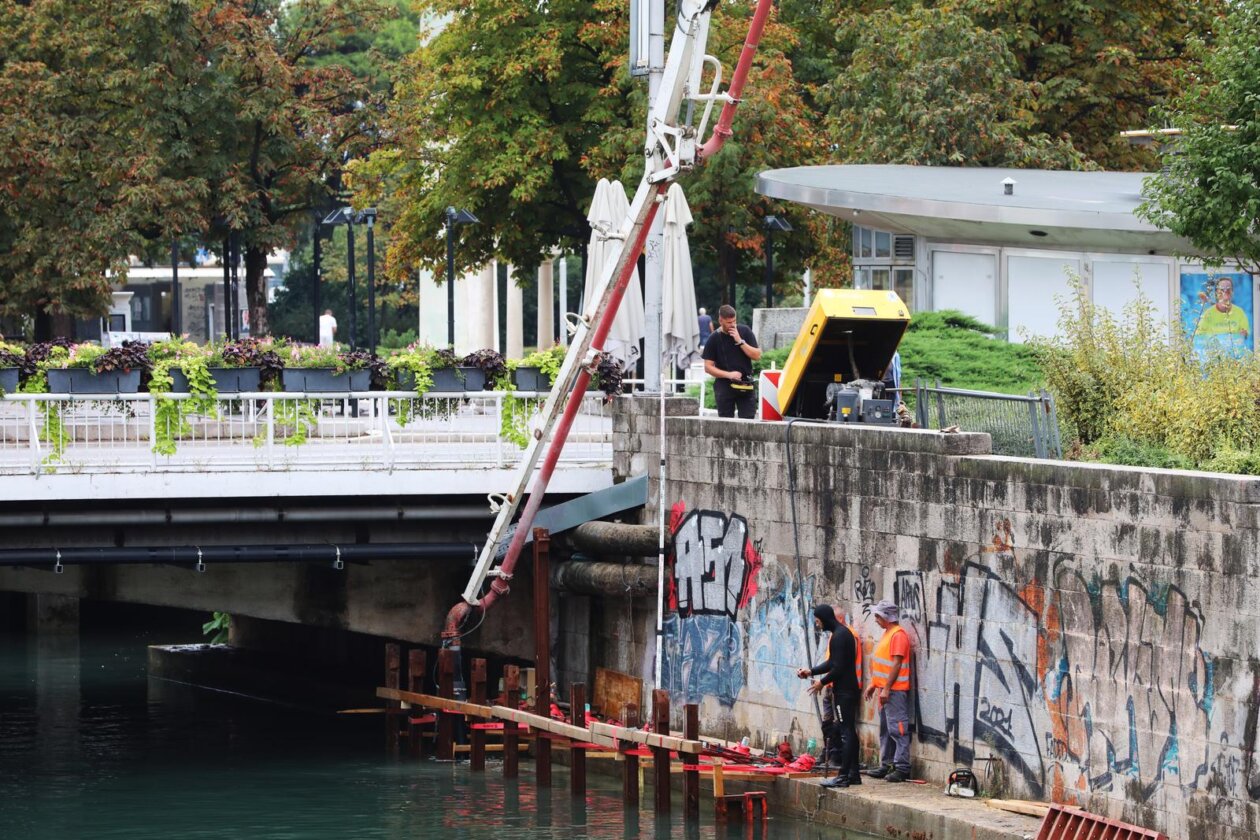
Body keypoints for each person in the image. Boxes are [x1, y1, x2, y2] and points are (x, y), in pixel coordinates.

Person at [797, 604, 861, 788]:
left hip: (844, 691)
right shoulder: (840, 634)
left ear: (824, 618)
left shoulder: (840, 636)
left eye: (818, 621)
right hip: (847, 689)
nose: (817, 625)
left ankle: (843, 776)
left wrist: (821, 682)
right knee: (849, 731)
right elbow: (832, 662)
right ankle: (853, 774)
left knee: (846, 733)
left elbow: (838, 668)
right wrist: (811, 672)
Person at [864, 599, 912, 782]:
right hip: (885, 691)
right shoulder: (888, 634)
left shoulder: (898, 635)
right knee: (886, 729)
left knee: (898, 729)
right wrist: (874, 684)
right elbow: (883, 665)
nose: (875, 618)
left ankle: (902, 767)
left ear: (886, 617)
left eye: (877, 615)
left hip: (894, 692)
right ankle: (886, 764)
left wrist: (886, 689)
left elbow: (896, 663)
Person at [702, 304, 762, 418]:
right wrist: (729, 375)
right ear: (720, 320)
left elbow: (757, 356)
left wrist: (740, 341)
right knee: (725, 424)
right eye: (729, 322)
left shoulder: (745, 331)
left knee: (748, 422)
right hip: (724, 385)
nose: (732, 325)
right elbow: (708, 367)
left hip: (745, 383)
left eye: (734, 321)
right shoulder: (714, 338)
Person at [1193, 276, 1250, 358]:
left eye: (1228, 289)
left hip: (1234, 361)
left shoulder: (1239, 313)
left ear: (1232, 292)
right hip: (1213, 361)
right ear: (1216, 292)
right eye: (1222, 289)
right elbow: (1199, 338)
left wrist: (1244, 334)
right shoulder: (1208, 314)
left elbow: (1245, 337)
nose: (1225, 291)